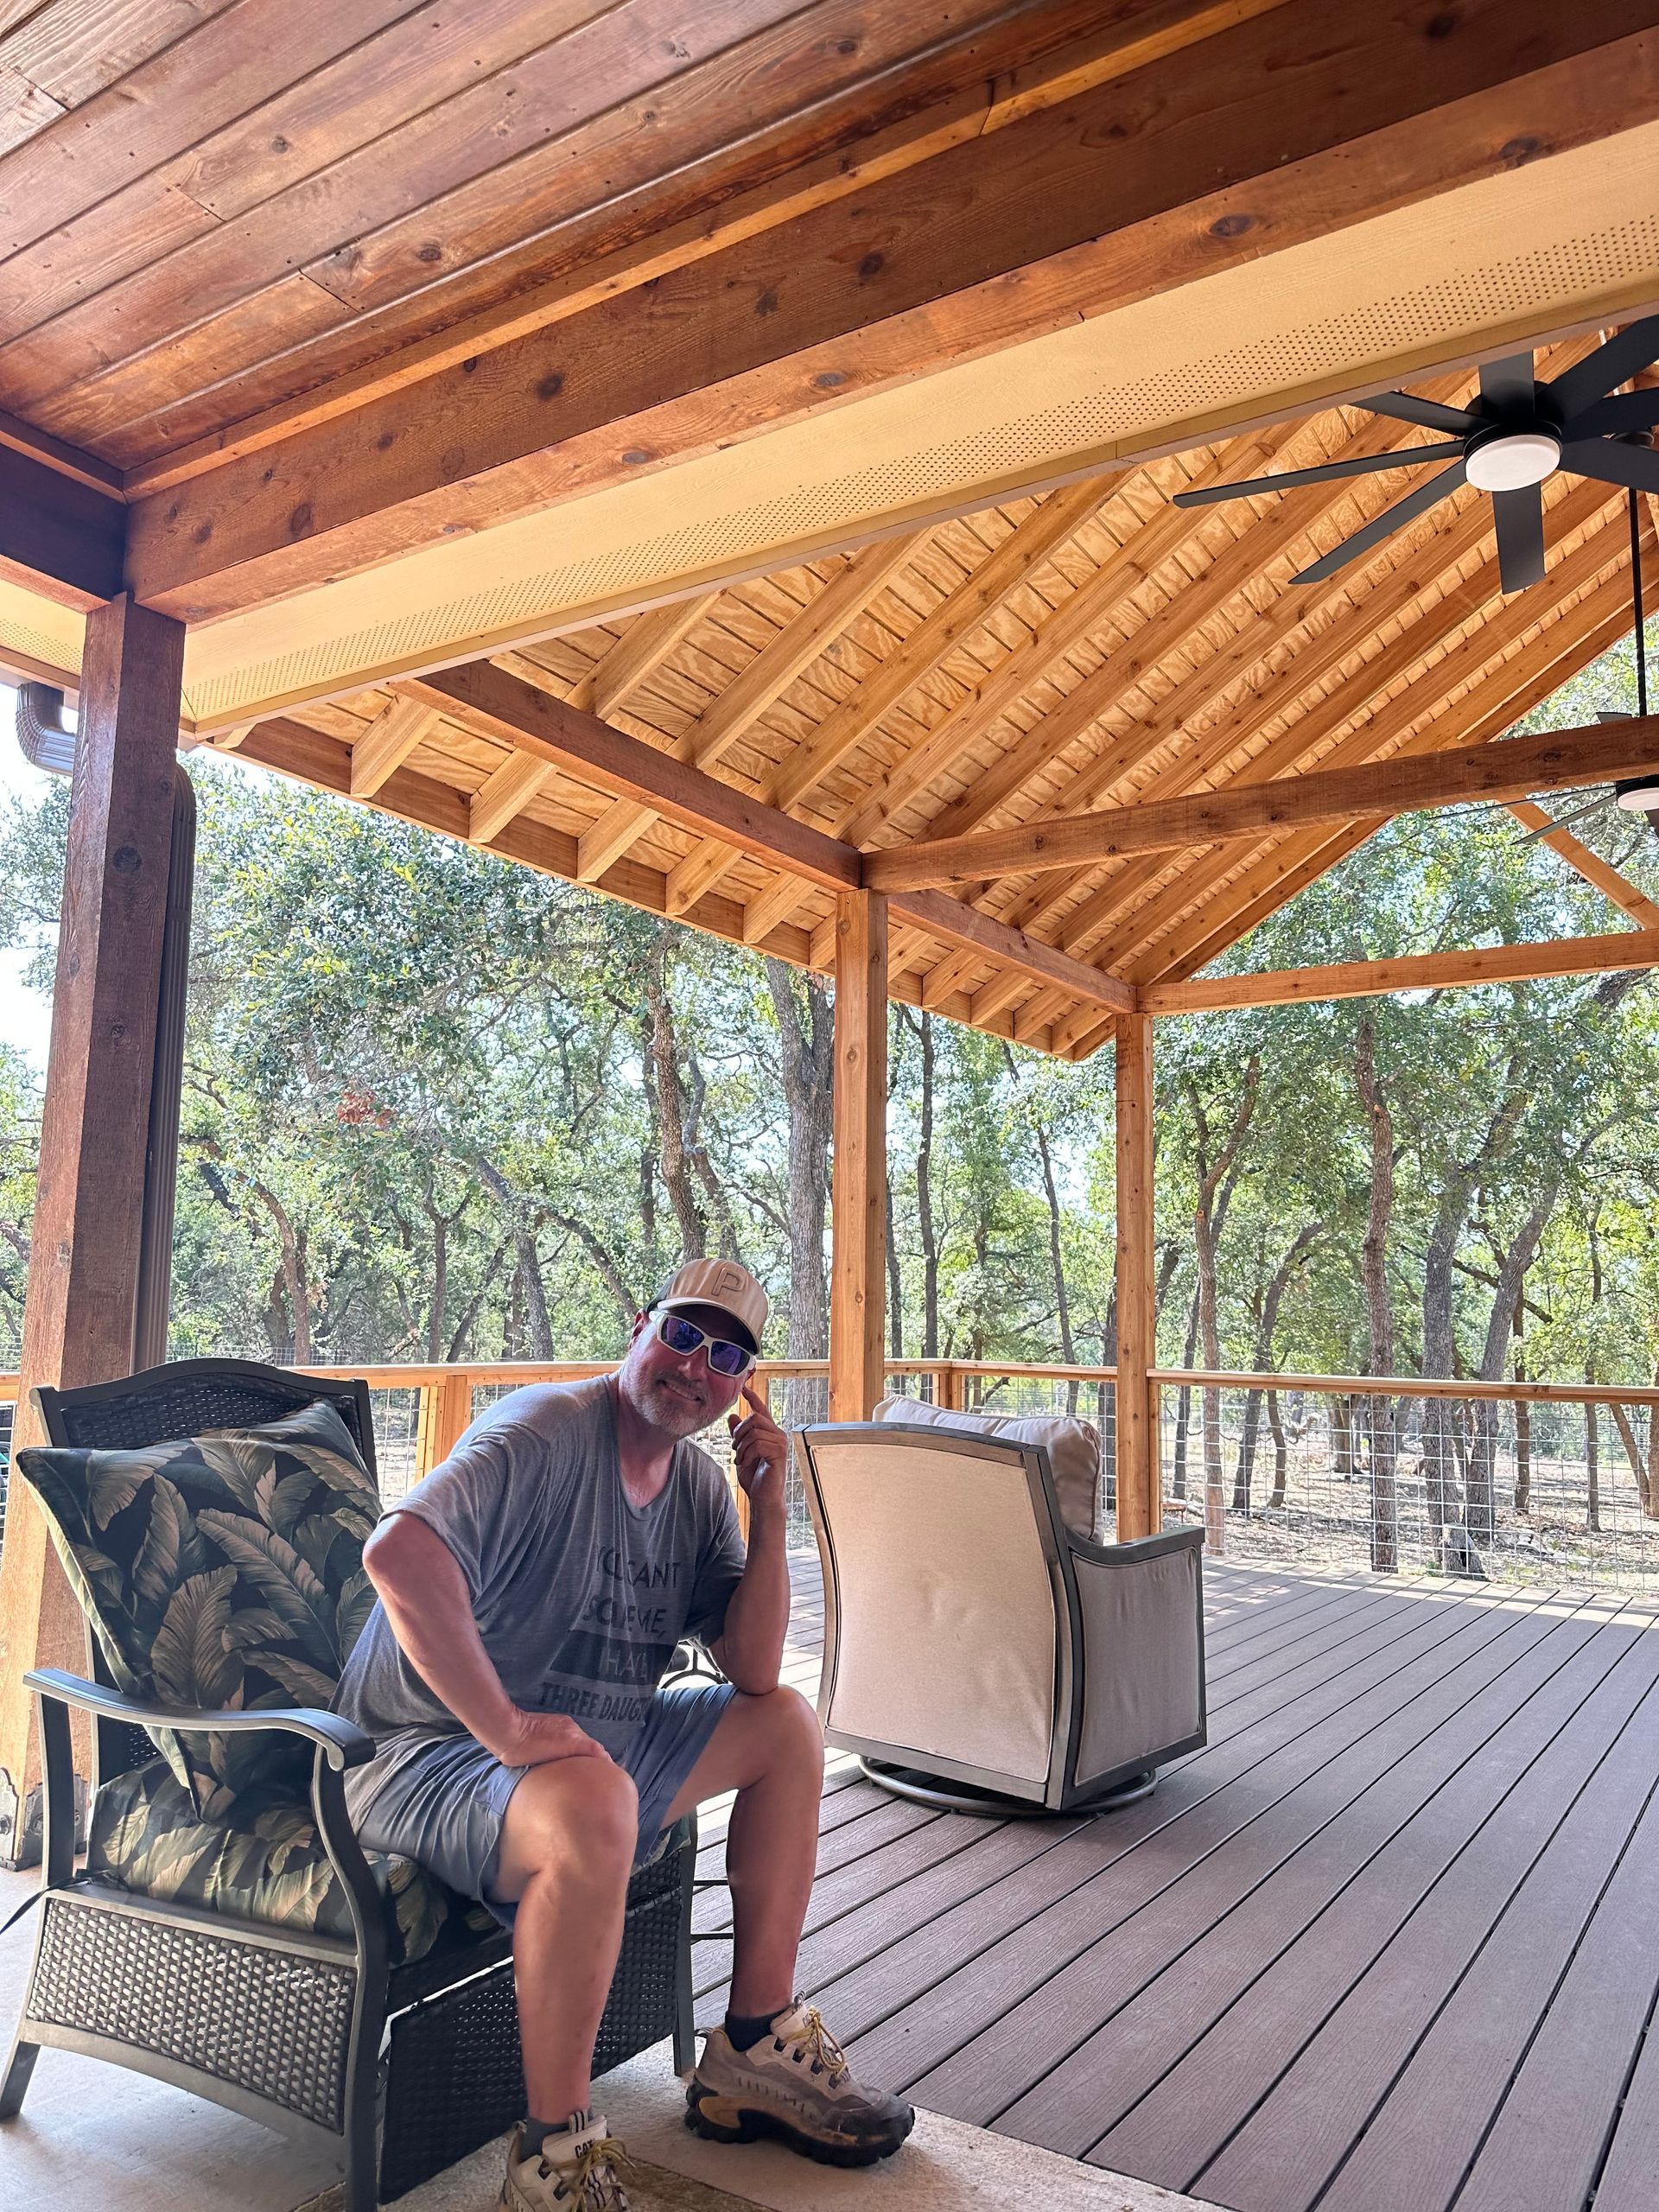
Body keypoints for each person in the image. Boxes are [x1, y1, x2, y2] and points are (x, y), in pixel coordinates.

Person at [334, 1256, 914, 2211]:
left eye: (725, 1354)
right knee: (596, 1793)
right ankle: (554, 2153)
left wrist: (769, 1510)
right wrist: (509, 1728)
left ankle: (753, 2047)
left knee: (787, 1725)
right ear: (639, 1328)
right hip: (425, 1752)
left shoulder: (693, 1489)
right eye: (682, 1333)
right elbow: (398, 1555)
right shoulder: (545, 1430)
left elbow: (755, 1669)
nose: (695, 1364)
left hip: (589, 1751)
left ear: (742, 1385)